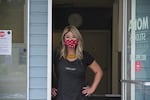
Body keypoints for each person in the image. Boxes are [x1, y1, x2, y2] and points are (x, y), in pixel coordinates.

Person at [52, 25, 103, 100]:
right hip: (61, 97)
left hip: (80, 97)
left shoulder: (85, 56)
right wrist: (48, 88)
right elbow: (44, 69)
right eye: (67, 37)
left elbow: (99, 71)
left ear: (78, 39)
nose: (71, 39)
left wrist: (92, 89)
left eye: (73, 36)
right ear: (63, 39)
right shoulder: (57, 55)